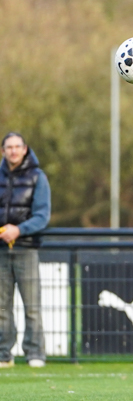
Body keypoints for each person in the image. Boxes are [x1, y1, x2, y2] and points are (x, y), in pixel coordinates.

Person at [0, 133, 51, 369]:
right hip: (1, 250)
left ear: (25, 149)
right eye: (8, 147)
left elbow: (42, 216)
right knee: (1, 307)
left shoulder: (38, 177)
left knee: (32, 305)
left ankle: (35, 353)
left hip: (26, 249)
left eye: (17, 146)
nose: (13, 151)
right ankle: (4, 354)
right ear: (3, 151)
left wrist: (18, 230)